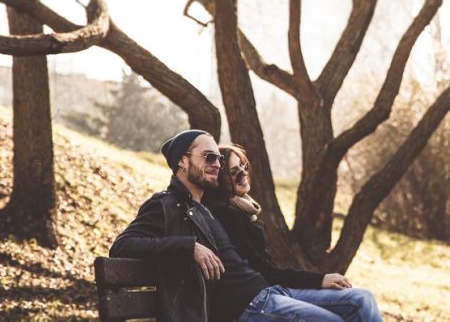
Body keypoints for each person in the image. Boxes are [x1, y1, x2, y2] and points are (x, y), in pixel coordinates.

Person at [110, 129, 381, 322]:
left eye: (218, 158)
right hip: (248, 305)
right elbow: (122, 245)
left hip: (266, 293)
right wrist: (190, 247)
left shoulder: (206, 208)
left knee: (358, 302)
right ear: (182, 160)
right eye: (208, 157)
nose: (216, 164)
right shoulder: (166, 205)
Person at [205, 144, 380, 321]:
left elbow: (270, 270)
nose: (243, 174)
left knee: (362, 299)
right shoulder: (227, 216)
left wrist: (320, 279)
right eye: (235, 172)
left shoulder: (243, 210)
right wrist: (320, 280)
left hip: (274, 288)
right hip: (257, 296)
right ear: (220, 180)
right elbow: (264, 270)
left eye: (244, 166)